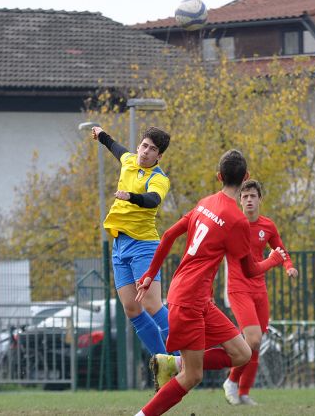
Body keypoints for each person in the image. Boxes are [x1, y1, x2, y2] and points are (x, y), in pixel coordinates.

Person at [133, 149, 288, 416]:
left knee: (242, 353)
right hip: (189, 300)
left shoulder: (206, 202)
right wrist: (273, 260)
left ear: (219, 177)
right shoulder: (237, 220)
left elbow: (169, 235)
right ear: (246, 178)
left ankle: (175, 362)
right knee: (193, 376)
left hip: (199, 297)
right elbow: (250, 270)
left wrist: (150, 274)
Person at [90, 125, 172, 355]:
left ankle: (184, 358)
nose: (146, 151)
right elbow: (115, 147)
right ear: (139, 146)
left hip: (144, 245)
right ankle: (163, 362)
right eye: (144, 146)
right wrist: (101, 134)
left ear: (159, 156)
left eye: (152, 149)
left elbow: (153, 199)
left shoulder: (159, 178)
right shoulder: (129, 160)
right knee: (132, 308)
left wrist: (131, 197)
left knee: (152, 304)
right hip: (120, 245)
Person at [222, 179, 298, 406]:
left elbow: (280, 250)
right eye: (244, 197)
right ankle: (231, 382)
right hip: (238, 289)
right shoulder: (233, 226)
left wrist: (289, 266)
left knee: (257, 341)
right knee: (252, 339)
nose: (248, 200)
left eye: (252, 196)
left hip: (259, 290)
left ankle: (243, 393)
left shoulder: (268, 226)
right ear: (240, 200)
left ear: (259, 199)